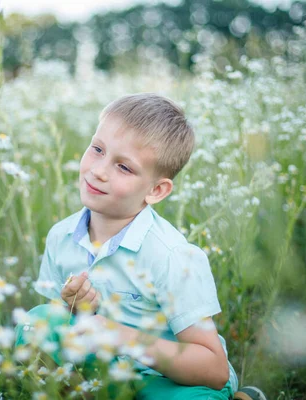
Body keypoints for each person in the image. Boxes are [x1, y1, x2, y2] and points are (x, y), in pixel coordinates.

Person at [15, 93, 266, 400]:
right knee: (37, 322)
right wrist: (73, 309)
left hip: (166, 381)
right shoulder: (61, 236)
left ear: (156, 190)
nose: (99, 170)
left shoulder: (172, 256)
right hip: (102, 370)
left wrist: (124, 337)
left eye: (124, 167)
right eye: (97, 149)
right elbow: (60, 333)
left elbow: (213, 370)